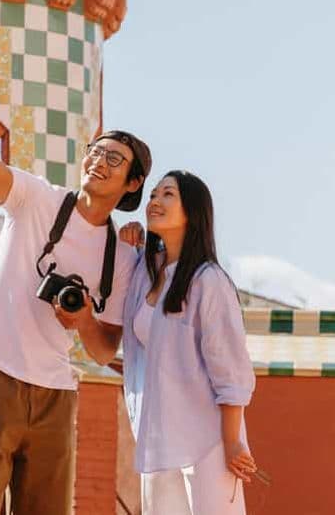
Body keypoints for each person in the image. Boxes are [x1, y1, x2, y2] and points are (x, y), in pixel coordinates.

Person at [0, 59, 152, 515]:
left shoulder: (121, 257)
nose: (99, 162)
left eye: (114, 159)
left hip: (55, 397)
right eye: (95, 151)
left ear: (133, 182)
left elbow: (104, 351)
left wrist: (82, 321)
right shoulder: (36, 199)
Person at [118, 171, 258, 515]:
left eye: (168, 194)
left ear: (193, 212)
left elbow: (230, 367)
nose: (155, 201)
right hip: (159, 435)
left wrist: (231, 440)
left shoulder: (209, 281)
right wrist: (127, 244)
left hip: (207, 439)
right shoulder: (145, 272)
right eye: (153, 194)